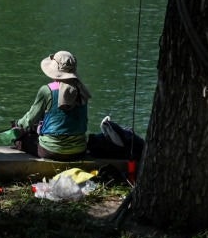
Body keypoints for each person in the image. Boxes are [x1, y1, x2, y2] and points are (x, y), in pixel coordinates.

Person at [10, 50, 143, 162]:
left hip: (51, 151)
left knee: (20, 139)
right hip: (79, 151)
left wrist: (18, 126)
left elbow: (28, 121)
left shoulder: (47, 90)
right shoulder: (82, 90)